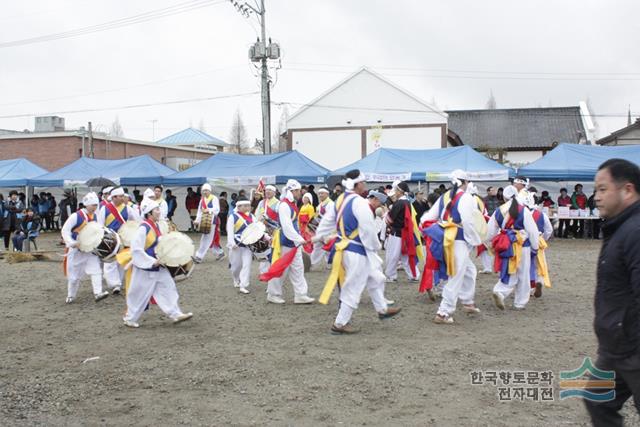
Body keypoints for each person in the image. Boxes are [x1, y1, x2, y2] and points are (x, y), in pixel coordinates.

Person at [581, 159, 640, 424]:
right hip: (616, 347)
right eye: (596, 190)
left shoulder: (635, 231)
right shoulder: (619, 227)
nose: (596, 197)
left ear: (628, 190)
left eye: (603, 189)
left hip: (633, 347)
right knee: (597, 400)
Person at [314, 170, 401, 334]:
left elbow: (327, 221)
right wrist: (375, 246)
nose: (365, 185)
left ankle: (382, 309)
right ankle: (339, 324)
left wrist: (318, 236)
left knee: (376, 277)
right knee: (353, 286)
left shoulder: (339, 200)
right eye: (364, 182)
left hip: (347, 248)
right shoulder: (360, 203)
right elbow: (368, 230)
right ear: (358, 184)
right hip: (356, 250)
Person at [421, 170, 483, 324]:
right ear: (465, 182)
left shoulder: (445, 196)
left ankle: (468, 301)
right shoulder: (467, 197)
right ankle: (444, 312)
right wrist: (474, 239)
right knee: (455, 276)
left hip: (445, 238)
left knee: (469, 271)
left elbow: (427, 218)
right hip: (459, 240)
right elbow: (468, 221)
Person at [122, 199, 193, 328]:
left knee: (168, 287)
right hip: (146, 268)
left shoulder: (156, 225)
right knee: (138, 294)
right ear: (149, 213)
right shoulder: (143, 228)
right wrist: (151, 262)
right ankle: (130, 318)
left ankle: (175, 313)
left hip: (159, 266)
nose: (159, 212)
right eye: (156, 209)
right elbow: (136, 249)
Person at [487, 185, 539, 311]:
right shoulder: (523, 210)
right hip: (523, 245)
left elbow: (490, 231)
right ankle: (520, 302)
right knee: (523, 273)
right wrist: (535, 246)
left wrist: (490, 243)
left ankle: (500, 291)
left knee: (510, 270)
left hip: (506, 244)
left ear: (504, 197)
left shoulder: (498, 211)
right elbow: (532, 230)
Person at [264, 179, 315, 305]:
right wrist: (300, 240)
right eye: (298, 191)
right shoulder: (284, 205)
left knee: (298, 268)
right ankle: (273, 294)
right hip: (285, 241)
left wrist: (298, 240)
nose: (300, 193)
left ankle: (300, 295)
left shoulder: (291, 204)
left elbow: (293, 225)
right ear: (293, 191)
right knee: (281, 268)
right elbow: (287, 227)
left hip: (294, 241)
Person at [61, 192, 109, 303]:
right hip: (76, 250)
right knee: (73, 277)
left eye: (96, 205)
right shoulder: (76, 216)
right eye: (92, 205)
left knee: (96, 270)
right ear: (86, 204)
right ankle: (70, 295)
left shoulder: (95, 217)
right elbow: (65, 230)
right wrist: (72, 242)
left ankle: (98, 293)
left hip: (90, 250)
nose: (94, 207)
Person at [97, 187, 140, 294]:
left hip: (123, 239)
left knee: (121, 261)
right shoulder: (105, 209)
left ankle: (118, 284)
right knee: (110, 262)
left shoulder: (128, 209)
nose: (123, 198)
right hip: (110, 240)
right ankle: (114, 284)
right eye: (121, 196)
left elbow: (137, 221)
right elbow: (100, 225)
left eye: (123, 196)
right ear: (114, 197)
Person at [226, 196, 264, 294]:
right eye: (245, 206)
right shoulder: (232, 217)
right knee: (236, 266)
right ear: (238, 206)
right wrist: (232, 243)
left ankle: (243, 285)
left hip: (248, 245)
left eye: (248, 205)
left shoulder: (251, 216)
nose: (247, 207)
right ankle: (236, 278)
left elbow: (256, 229)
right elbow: (230, 232)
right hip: (236, 245)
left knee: (247, 264)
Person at [384, 181, 420, 282]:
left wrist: (385, 214)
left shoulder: (399, 203)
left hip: (396, 233)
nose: (394, 191)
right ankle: (414, 275)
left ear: (400, 191)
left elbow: (389, 220)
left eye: (396, 189)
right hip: (405, 233)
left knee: (392, 255)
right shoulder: (407, 202)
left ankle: (391, 276)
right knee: (406, 256)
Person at [525, 190, 553, 298]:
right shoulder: (542, 215)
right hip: (539, 241)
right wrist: (543, 239)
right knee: (540, 264)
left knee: (527, 265)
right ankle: (540, 281)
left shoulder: (523, 214)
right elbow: (549, 229)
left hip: (526, 242)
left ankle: (530, 288)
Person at [193, 183, 224, 263]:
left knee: (206, 239)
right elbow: (199, 211)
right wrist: (197, 220)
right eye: (203, 190)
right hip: (204, 221)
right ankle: (220, 253)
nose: (205, 192)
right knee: (208, 238)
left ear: (210, 191)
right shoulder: (202, 200)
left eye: (206, 190)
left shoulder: (214, 198)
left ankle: (199, 256)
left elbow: (217, 210)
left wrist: (209, 210)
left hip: (212, 221)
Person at [310, 187, 335, 267]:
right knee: (318, 246)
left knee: (328, 247)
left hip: (329, 230)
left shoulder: (331, 204)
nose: (320, 195)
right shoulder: (320, 204)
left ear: (327, 194)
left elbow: (330, 218)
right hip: (321, 229)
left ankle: (330, 263)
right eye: (319, 193)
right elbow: (317, 216)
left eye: (322, 193)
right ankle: (313, 263)